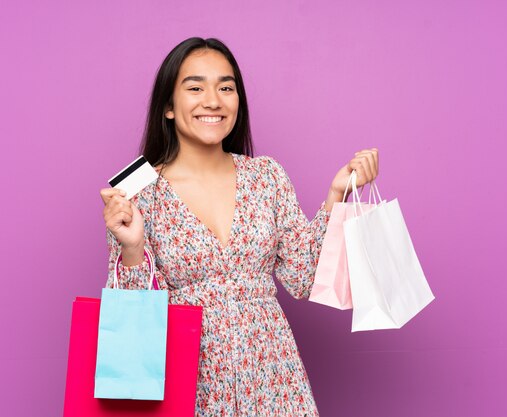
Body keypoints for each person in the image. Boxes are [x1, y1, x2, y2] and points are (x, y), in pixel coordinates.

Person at [99, 37, 379, 417]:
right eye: (195, 87)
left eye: (226, 87)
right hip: (191, 378)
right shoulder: (139, 194)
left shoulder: (266, 176)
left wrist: (336, 193)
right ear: (168, 105)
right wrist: (132, 248)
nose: (212, 100)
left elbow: (302, 277)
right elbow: (135, 317)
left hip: (272, 376)